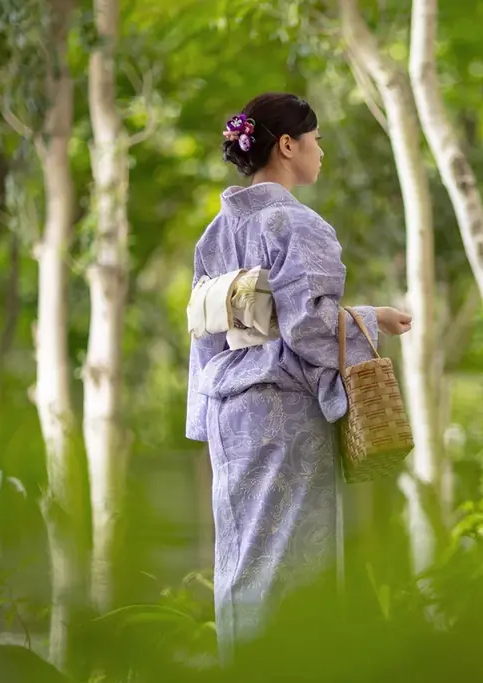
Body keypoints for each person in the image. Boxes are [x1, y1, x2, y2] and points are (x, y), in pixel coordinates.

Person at [185, 92, 412, 664]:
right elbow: (311, 328)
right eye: (315, 139)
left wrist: (203, 420)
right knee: (292, 552)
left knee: (242, 552)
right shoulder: (296, 222)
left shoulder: (214, 235)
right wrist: (370, 319)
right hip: (283, 410)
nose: (321, 150)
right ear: (287, 146)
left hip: (228, 410)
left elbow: (206, 338)